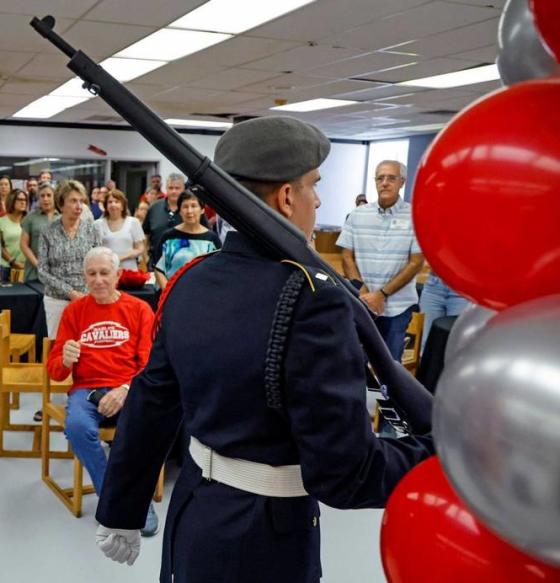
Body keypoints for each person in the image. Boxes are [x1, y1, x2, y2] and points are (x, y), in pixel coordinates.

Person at [93, 117, 434, 581]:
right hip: (265, 539)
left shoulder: (191, 280)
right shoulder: (314, 302)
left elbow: (153, 400)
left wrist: (121, 507)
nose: (318, 199)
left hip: (195, 514)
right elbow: (345, 471)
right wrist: (440, 457)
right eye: (313, 185)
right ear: (286, 197)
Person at [47, 247, 159, 537]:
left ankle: (136, 501)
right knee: (76, 427)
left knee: (140, 430)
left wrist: (123, 389)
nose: (98, 280)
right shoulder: (74, 311)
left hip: (127, 387)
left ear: (118, 275)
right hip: (86, 390)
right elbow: (54, 370)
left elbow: (148, 366)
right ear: (84, 277)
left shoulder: (139, 310)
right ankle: (117, 498)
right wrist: (65, 359)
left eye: (104, 273)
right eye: (92, 274)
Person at [338, 160, 425, 361]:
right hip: (363, 303)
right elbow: (346, 256)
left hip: (397, 308)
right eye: (380, 178)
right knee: (354, 363)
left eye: (391, 178)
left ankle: (385, 395)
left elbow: (416, 263)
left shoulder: (415, 216)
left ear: (402, 182)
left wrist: (382, 294)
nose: (384, 183)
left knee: (389, 368)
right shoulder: (357, 215)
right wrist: (361, 289)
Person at [37, 180, 101, 338]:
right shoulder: (47, 231)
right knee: (58, 347)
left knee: (86, 347)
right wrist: (70, 292)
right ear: (61, 204)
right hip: (56, 300)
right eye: (73, 201)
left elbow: (99, 263)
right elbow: (42, 271)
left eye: (81, 201)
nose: (79, 206)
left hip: (87, 298)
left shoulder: (91, 229)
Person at [153, 191, 221, 290]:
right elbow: (158, 269)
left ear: (202, 209)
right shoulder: (168, 237)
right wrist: (168, 292)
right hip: (170, 295)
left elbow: (217, 270)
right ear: (179, 210)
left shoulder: (211, 239)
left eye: (193, 206)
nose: (189, 211)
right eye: (185, 207)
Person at [142, 173, 207, 270]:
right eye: (171, 188)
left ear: (184, 189)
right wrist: (146, 258)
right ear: (166, 189)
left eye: (177, 188)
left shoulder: (192, 210)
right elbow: (145, 235)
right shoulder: (154, 208)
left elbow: (206, 233)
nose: (174, 191)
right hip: (156, 265)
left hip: (186, 266)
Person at [94, 190, 145, 271]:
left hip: (129, 270)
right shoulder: (97, 224)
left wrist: (120, 258)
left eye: (117, 202)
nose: (113, 204)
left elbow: (140, 248)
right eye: (110, 202)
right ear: (106, 206)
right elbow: (95, 250)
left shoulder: (133, 222)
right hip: (107, 270)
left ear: (122, 206)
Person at [419, 271, 469, 353]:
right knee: (427, 341)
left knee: (456, 341)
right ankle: (426, 365)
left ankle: (451, 365)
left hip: (462, 288)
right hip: (434, 286)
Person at [20, 182, 59, 283]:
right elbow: (23, 245)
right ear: (38, 198)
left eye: (49, 195)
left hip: (58, 275)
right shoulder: (30, 218)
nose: (45, 199)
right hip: (34, 274)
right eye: (42, 196)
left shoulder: (62, 218)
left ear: (55, 197)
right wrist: (39, 266)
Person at [0, 189, 28, 281]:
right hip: (6, 267)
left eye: (25, 200)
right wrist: (12, 262)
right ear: (11, 200)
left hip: (26, 267)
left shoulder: (30, 221)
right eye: (20, 200)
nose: (23, 202)